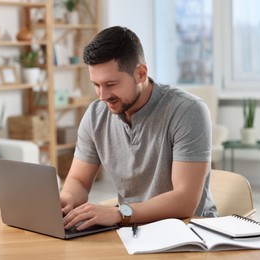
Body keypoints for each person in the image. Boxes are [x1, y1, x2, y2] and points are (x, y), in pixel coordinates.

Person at [60, 26, 218, 231]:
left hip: (191, 231)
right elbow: (78, 180)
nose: (102, 96)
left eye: (111, 84)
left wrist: (120, 213)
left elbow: (185, 201)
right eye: (96, 84)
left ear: (141, 73)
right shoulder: (95, 115)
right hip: (133, 229)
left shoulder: (187, 111)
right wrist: (65, 201)